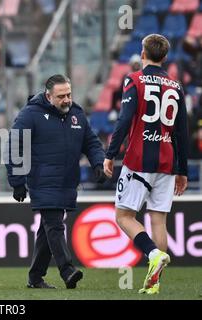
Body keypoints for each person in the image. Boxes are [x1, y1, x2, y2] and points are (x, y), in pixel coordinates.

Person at [103, 34, 188, 295]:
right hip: (166, 159)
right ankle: (155, 281)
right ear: (164, 57)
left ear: (143, 53)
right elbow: (181, 131)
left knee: (124, 216)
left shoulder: (135, 79)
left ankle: (152, 253)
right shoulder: (175, 85)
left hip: (139, 159)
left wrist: (111, 152)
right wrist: (181, 170)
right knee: (158, 220)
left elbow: (124, 120)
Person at [6, 74, 107, 289]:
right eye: (61, 96)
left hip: (67, 181)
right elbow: (15, 146)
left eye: (69, 94)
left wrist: (98, 163)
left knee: (48, 229)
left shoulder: (77, 114)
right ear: (48, 96)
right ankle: (67, 270)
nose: (67, 100)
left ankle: (35, 278)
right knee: (54, 224)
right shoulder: (30, 115)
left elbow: (91, 142)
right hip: (42, 181)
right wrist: (16, 181)